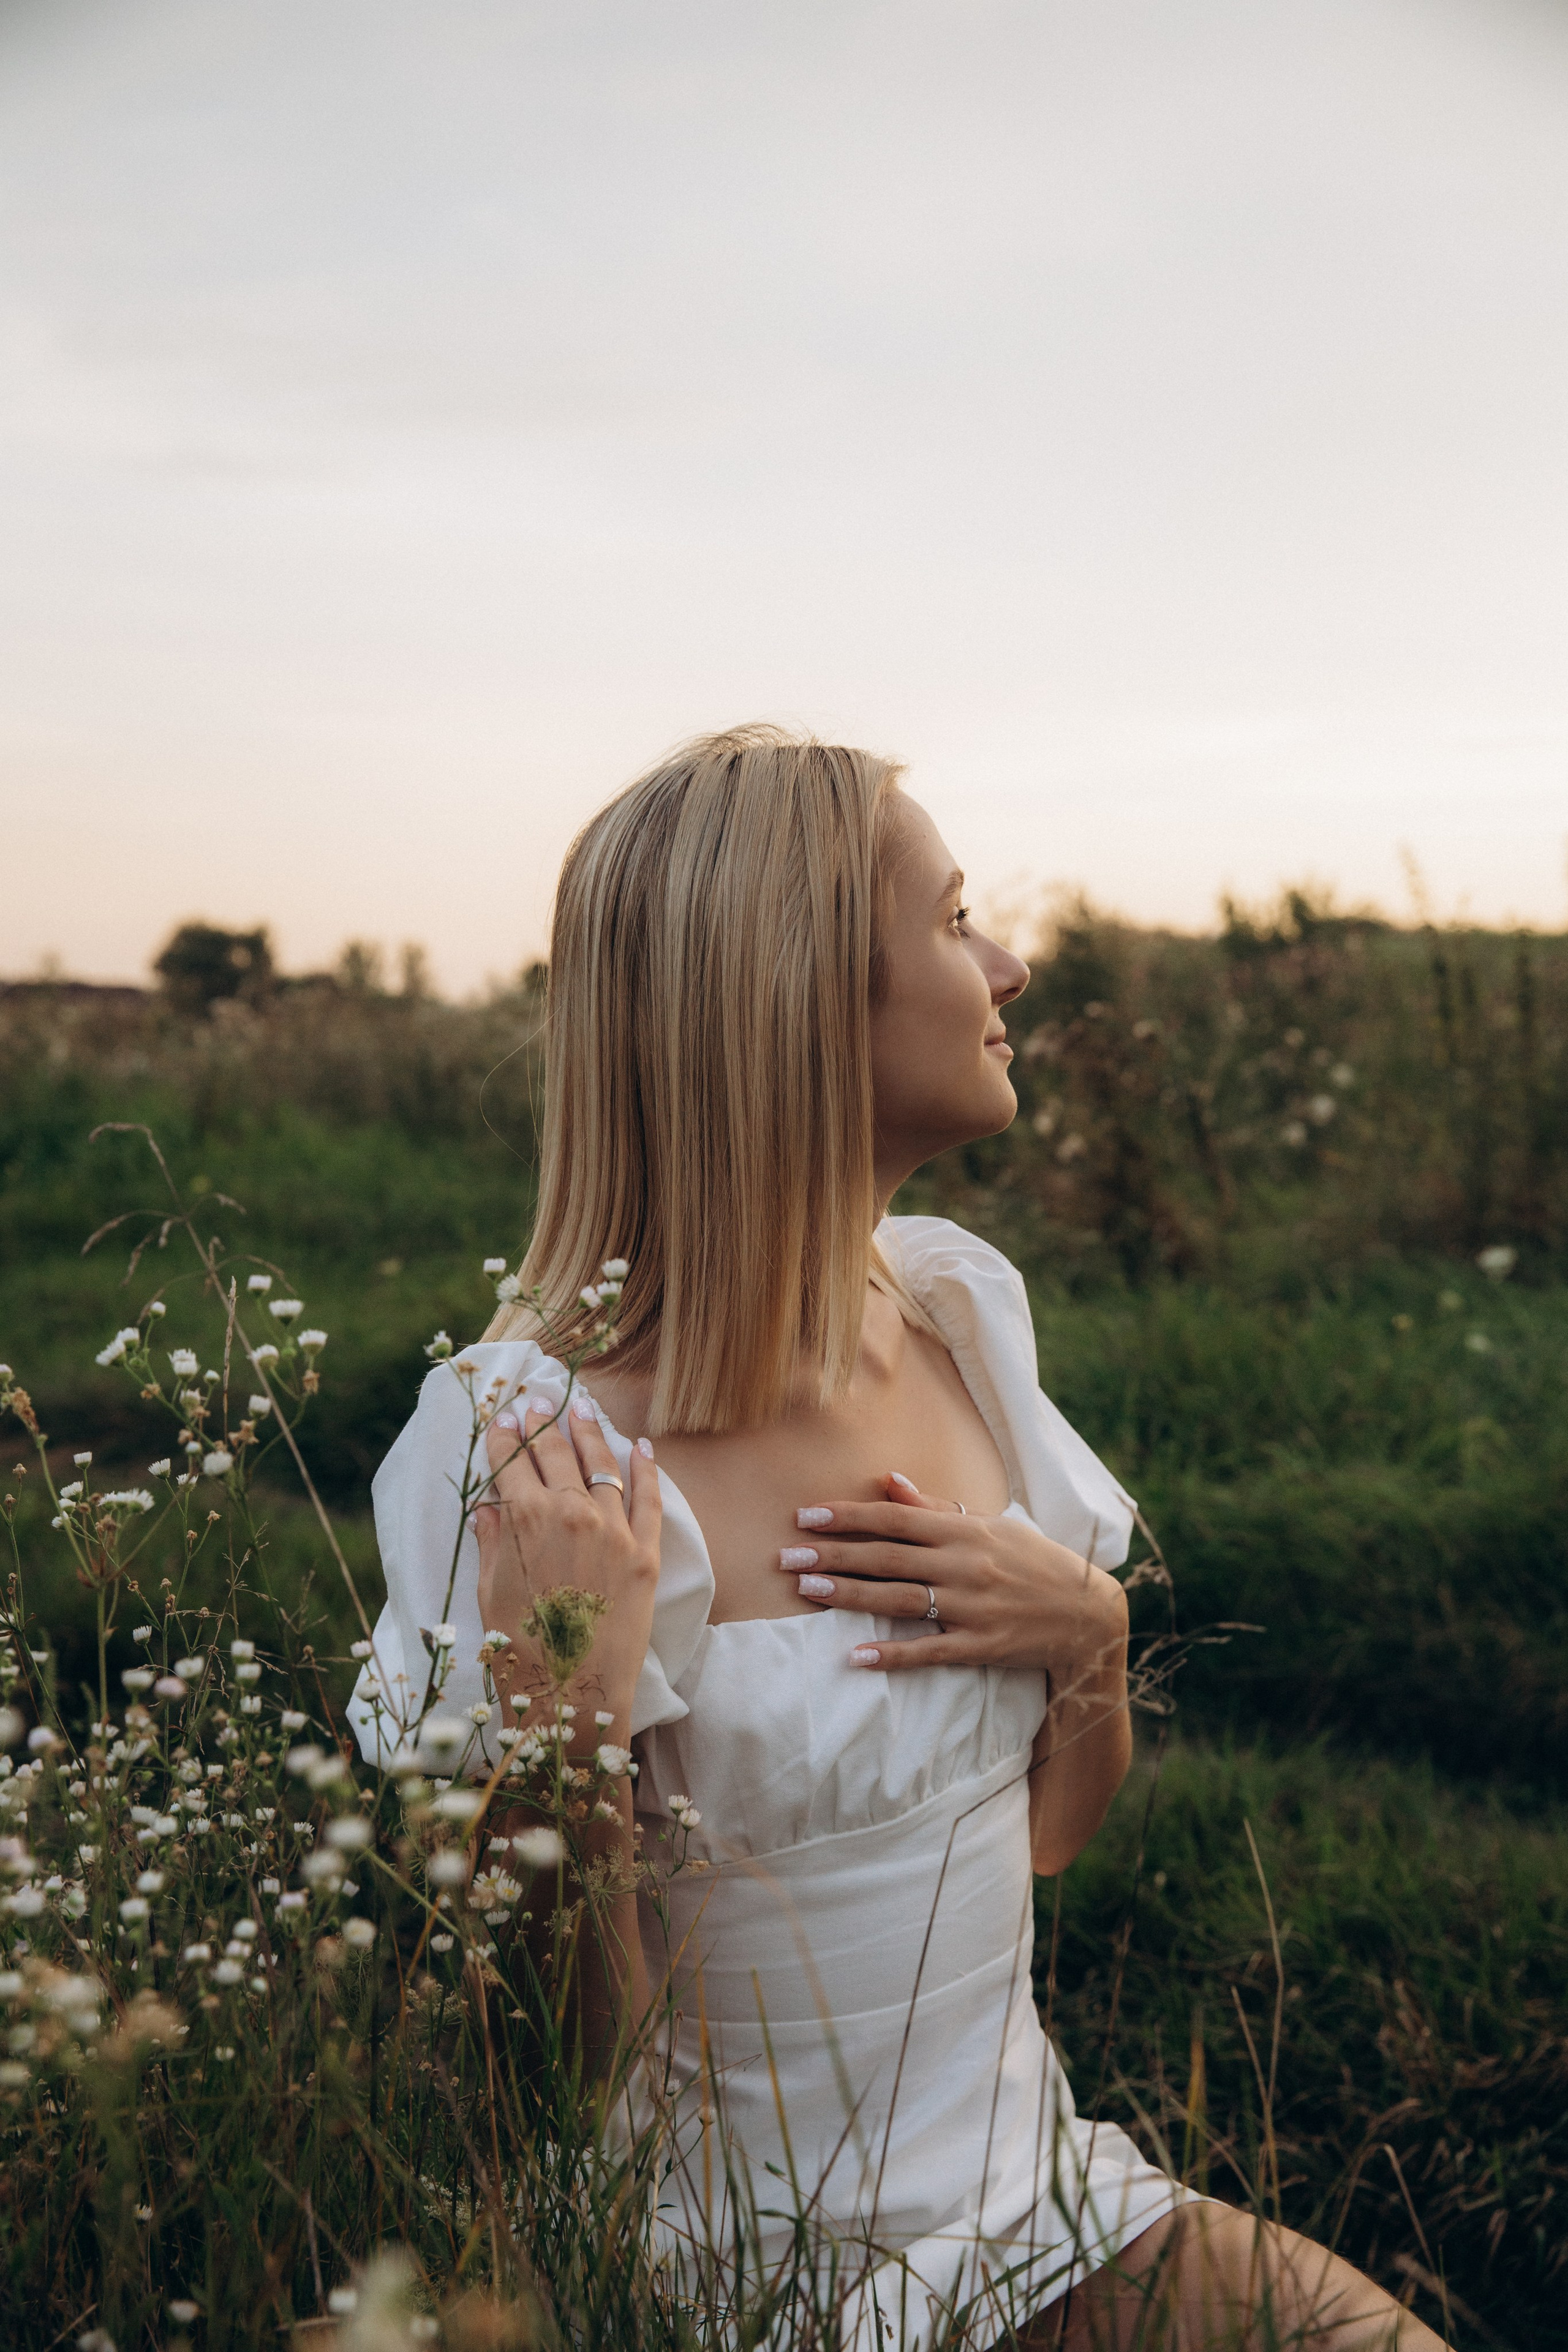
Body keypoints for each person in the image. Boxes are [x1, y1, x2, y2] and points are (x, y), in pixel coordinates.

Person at [352, 728, 1450, 2351]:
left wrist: (1093, 1638)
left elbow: (1051, 1838)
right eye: (951, 923)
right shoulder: (536, 1451)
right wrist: (559, 1725)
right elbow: (542, 2093)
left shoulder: (952, 1315)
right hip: (717, 2290)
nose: (1007, 965)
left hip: (1036, 2207)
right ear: (795, 1004)